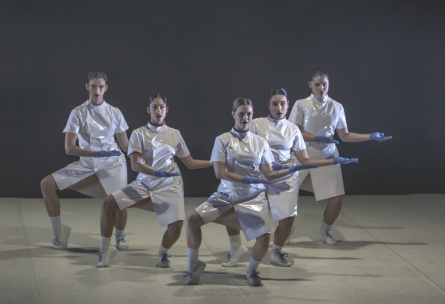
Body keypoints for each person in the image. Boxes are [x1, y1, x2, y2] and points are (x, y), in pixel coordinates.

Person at [184, 97, 318, 287]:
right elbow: (219, 172)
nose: (245, 118)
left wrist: (291, 170)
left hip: (253, 197)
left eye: (248, 114)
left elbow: (269, 173)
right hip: (225, 195)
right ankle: (193, 267)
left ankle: (252, 272)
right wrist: (245, 179)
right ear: (233, 115)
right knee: (191, 220)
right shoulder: (222, 139)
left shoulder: (260, 142)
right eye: (241, 114)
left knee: (264, 238)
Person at [222, 88, 357, 268]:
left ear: (287, 106)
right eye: (275, 104)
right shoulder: (256, 124)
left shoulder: (293, 129)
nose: (279, 107)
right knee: (235, 211)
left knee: (287, 221)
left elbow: (305, 159)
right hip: (259, 175)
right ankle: (236, 247)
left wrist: (332, 161)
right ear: (268, 106)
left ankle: (276, 252)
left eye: (283, 104)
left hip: (285, 177)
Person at [97, 93, 212, 268]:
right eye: (154, 107)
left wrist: (214, 163)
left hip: (170, 184)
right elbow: (135, 166)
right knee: (108, 203)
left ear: (167, 110)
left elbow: (190, 163)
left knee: (176, 226)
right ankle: (104, 251)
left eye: (162, 107)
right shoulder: (138, 133)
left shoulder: (175, 134)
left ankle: (162, 254)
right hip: (144, 183)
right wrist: (155, 173)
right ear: (148, 110)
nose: (158, 111)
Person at [288, 70, 392, 245]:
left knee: (336, 199)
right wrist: (314, 138)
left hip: (328, 154)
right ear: (310, 85)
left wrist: (370, 137)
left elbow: (344, 135)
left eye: (325, 84)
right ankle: (286, 229)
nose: (321, 88)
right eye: (317, 85)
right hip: (303, 153)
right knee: (288, 193)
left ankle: (324, 232)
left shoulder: (337, 106)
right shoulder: (301, 104)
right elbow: (293, 133)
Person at [40, 71, 130, 251]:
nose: (97, 90)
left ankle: (120, 237)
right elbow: (69, 148)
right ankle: (60, 235)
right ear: (87, 87)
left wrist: (146, 153)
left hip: (113, 163)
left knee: (119, 201)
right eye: (94, 86)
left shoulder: (115, 112)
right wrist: (96, 154)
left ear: (106, 89)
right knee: (46, 184)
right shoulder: (77, 112)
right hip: (87, 164)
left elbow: (126, 146)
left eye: (101, 87)